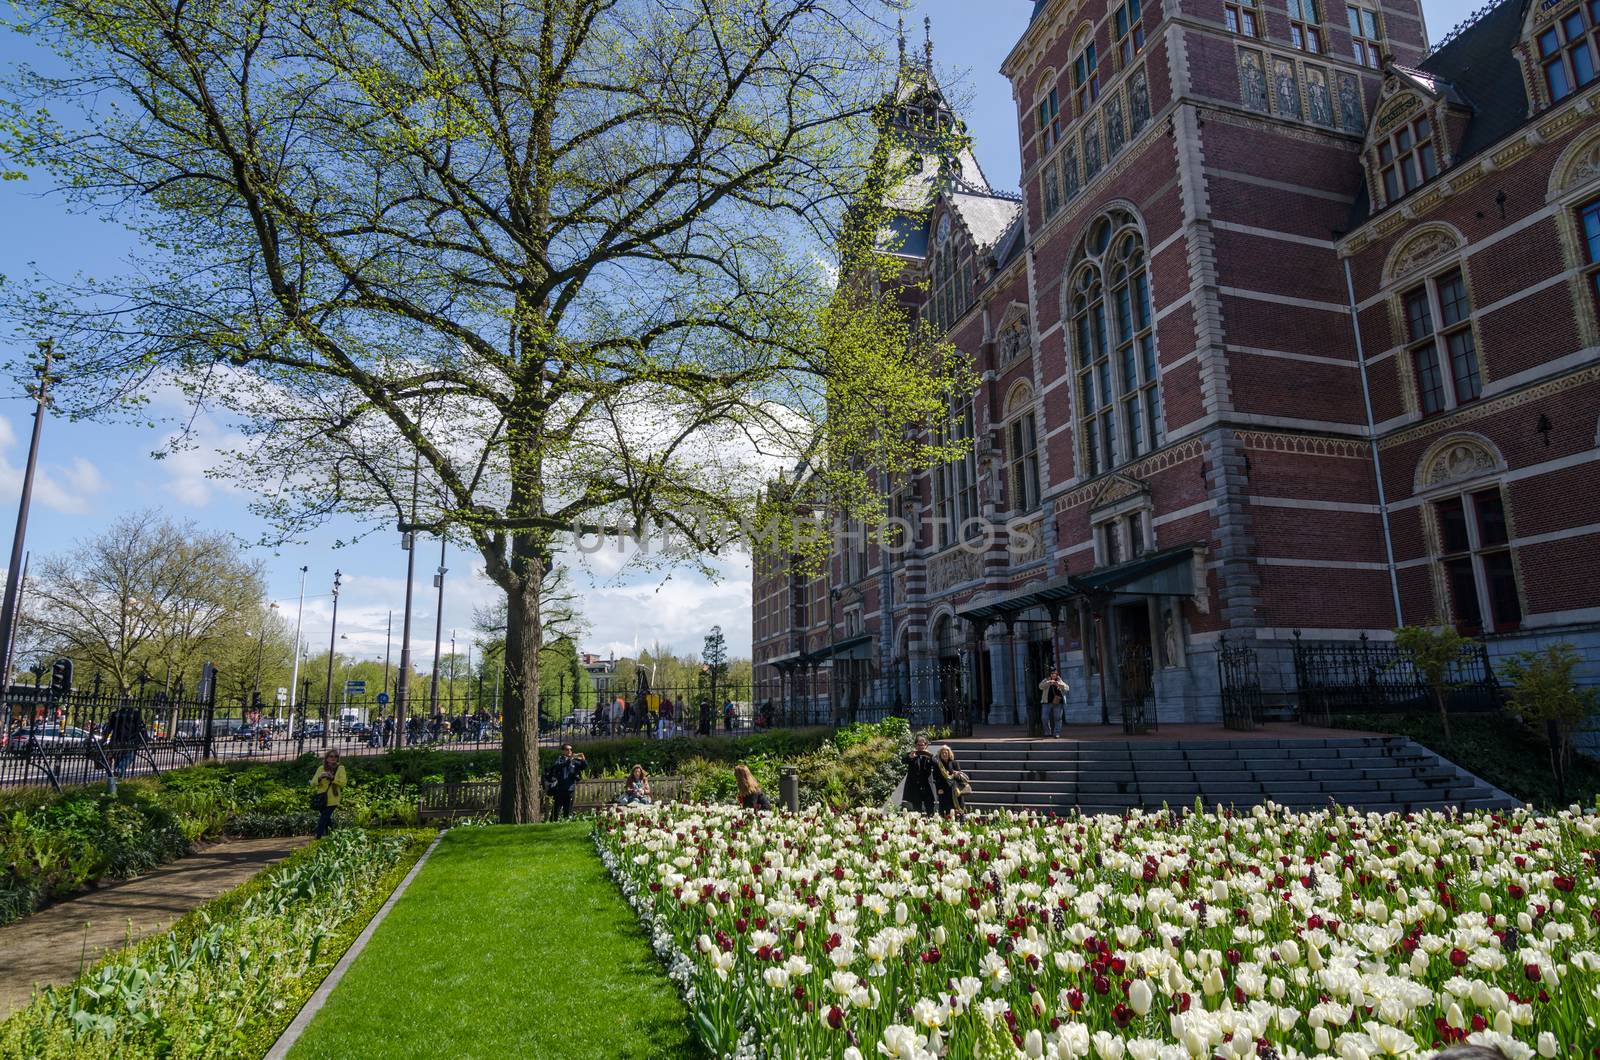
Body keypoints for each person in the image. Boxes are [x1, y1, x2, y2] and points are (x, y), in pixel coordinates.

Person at [543, 743, 587, 820]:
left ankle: (566, 823)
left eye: (571, 749)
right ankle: (553, 822)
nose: (570, 751)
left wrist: (583, 759)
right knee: (556, 810)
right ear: (563, 751)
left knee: (567, 810)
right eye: (567, 749)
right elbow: (558, 766)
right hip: (559, 789)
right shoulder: (559, 759)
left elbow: (584, 766)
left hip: (570, 789)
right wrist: (569, 760)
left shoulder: (575, 761)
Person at [309, 750, 346, 838]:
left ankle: (317, 837)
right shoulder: (321, 768)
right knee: (327, 819)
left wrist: (332, 778)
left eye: (336, 756)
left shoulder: (340, 768)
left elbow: (343, 783)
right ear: (326, 758)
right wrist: (320, 778)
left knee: (323, 818)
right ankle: (333, 836)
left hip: (333, 798)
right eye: (331, 756)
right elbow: (313, 783)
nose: (334, 758)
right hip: (322, 798)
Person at [106, 701, 147, 778]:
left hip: (116, 740)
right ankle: (119, 771)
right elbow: (141, 728)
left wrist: (104, 739)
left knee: (118, 759)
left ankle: (117, 780)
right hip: (130, 740)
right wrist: (144, 740)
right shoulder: (135, 714)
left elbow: (109, 728)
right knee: (128, 757)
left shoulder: (115, 714)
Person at [932, 745, 970, 817]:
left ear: (949, 754)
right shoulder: (938, 765)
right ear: (940, 754)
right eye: (942, 753)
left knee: (958, 810)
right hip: (944, 790)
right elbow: (936, 778)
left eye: (946, 753)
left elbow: (960, 777)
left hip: (955, 790)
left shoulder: (954, 763)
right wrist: (939, 788)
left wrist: (956, 775)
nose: (944, 754)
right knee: (945, 811)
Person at [903, 735, 937, 814]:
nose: (920, 747)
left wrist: (930, 757)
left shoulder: (930, 755)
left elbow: (936, 763)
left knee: (930, 810)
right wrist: (910, 757)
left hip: (927, 787)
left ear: (926, 745)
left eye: (922, 745)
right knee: (917, 811)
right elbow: (903, 760)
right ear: (915, 745)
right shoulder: (911, 754)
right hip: (915, 787)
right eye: (918, 745)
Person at [1039, 668, 1070, 738]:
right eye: (1052, 674)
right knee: (1044, 718)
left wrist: (1058, 684)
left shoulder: (1060, 681)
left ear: (1057, 675)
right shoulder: (1046, 680)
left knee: (1057, 718)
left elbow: (1067, 688)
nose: (1053, 675)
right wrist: (1048, 683)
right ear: (1050, 675)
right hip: (1046, 702)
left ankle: (1056, 733)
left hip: (1058, 702)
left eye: (1055, 674)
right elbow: (1040, 686)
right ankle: (1047, 732)